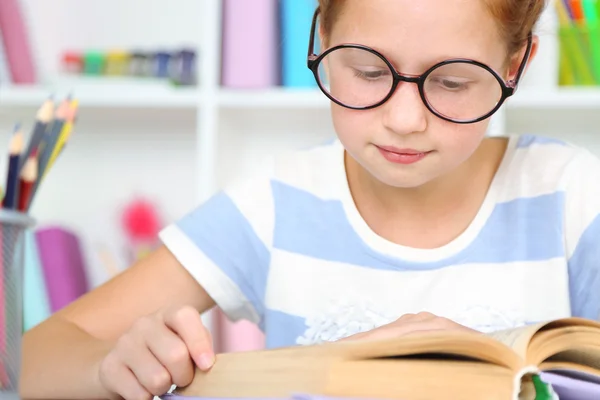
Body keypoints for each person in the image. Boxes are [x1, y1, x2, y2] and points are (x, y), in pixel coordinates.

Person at [20, 0, 600, 399]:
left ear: (516, 63)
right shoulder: (274, 203)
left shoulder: (574, 198)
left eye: (451, 82)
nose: (403, 119)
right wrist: (110, 365)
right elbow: (34, 359)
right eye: (368, 71)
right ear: (322, 38)